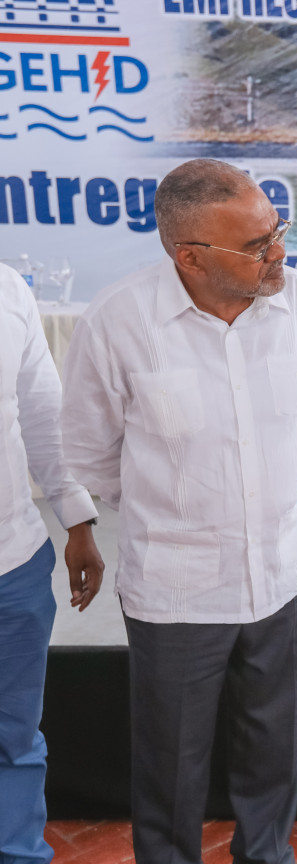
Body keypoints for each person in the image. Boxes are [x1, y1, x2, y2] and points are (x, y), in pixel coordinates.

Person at [61, 159, 297, 864]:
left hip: (279, 574)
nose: (279, 253)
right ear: (191, 257)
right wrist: (178, 512)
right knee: (170, 768)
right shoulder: (119, 321)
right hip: (177, 591)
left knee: (275, 755)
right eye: (257, 245)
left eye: (278, 230)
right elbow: (89, 452)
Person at [0, 262, 104, 864]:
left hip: (12, 564)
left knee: (14, 738)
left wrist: (77, 520)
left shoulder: (7, 289)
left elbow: (43, 413)